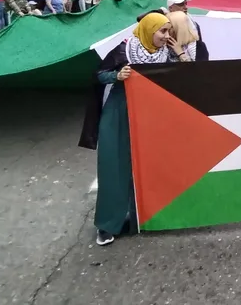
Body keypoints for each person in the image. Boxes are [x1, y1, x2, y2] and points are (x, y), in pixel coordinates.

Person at [79, 12, 185, 246]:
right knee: (114, 168)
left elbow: (188, 75)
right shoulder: (123, 50)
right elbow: (98, 75)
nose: (166, 36)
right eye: (163, 31)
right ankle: (108, 225)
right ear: (149, 30)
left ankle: (143, 217)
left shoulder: (166, 53)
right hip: (120, 116)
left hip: (152, 118)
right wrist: (117, 75)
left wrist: (179, 51)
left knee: (150, 169)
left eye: (168, 31)